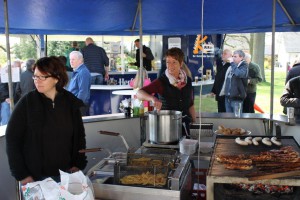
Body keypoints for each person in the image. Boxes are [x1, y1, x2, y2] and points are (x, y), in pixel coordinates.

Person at [6, 56, 87, 185]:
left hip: (66, 175)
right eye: (35, 76)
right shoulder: (27, 102)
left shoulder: (70, 102)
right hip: (35, 178)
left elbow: (79, 136)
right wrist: (21, 174)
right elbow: (12, 138)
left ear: (56, 78)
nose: (37, 81)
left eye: (42, 77)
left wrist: (78, 163)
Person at [136, 47, 196, 135]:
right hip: (167, 128)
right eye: (168, 62)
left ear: (181, 63)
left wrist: (194, 122)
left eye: (174, 62)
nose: (170, 66)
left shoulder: (188, 81)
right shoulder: (161, 81)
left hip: (186, 126)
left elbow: (190, 104)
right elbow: (139, 93)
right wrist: (153, 99)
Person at [220, 50, 248, 114]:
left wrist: (232, 63)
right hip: (228, 96)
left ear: (241, 58)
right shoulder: (232, 66)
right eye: (233, 56)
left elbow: (239, 74)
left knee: (237, 118)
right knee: (229, 118)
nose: (233, 58)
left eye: (235, 56)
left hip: (237, 97)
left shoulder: (244, 66)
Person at [68, 51, 91, 116]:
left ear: (80, 60)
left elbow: (83, 91)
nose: (71, 61)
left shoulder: (83, 72)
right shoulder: (78, 71)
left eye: (73, 59)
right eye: (70, 59)